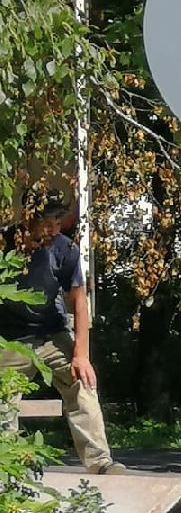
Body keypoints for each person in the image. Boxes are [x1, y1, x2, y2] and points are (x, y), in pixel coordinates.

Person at [0, 191, 123, 474]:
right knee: (3, 399)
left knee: (83, 383)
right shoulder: (5, 242)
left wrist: (81, 355)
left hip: (51, 333)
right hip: (11, 339)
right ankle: (7, 467)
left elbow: (79, 300)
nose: (55, 227)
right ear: (29, 217)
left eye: (59, 219)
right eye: (48, 220)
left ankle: (101, 463)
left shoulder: (65, 249)